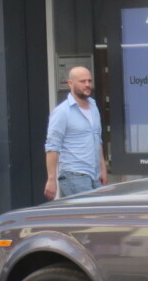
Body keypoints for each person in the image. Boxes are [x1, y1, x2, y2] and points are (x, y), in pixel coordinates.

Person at [44, 66, 106, 200]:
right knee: (87, 217)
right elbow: (52, 147)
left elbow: (97, 140)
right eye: (82, 81)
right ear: (71, 83)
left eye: (89, 81)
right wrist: (51, 179)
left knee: (96, 217)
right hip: (74, 175)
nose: (88, 85)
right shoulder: (62, 112)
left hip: (94, 176)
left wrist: (103, 168)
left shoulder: (94, 106)